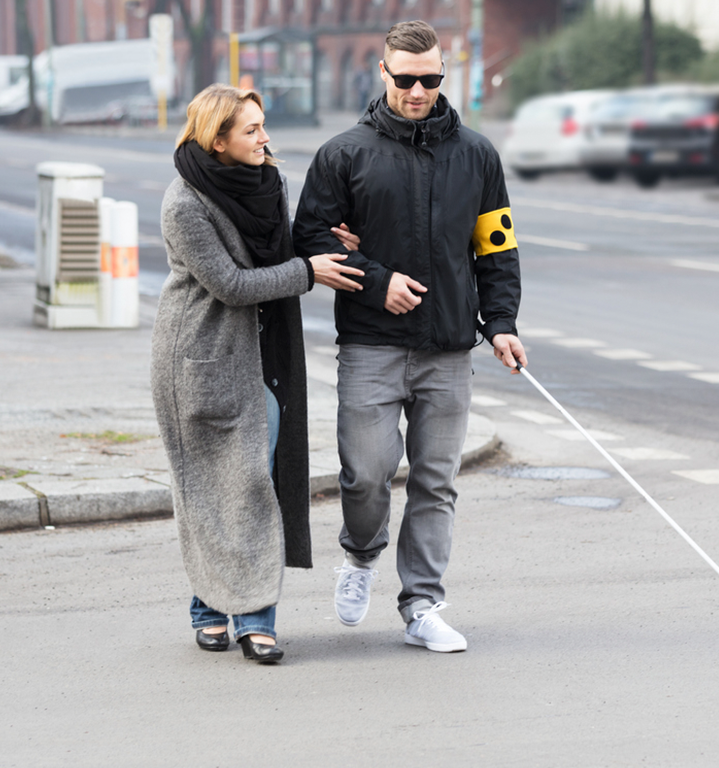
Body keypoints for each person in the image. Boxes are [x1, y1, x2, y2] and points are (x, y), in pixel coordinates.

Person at [292, 20, 526, 653]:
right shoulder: (345, 154)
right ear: (384, 74)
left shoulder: (477, 155)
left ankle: (422, 603)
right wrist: (375, 282)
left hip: (450, 347)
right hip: (371, 343)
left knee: (435, 480)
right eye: (406, 80)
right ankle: (361, 552)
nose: (419, 91)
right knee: (366, 475)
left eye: (431, 80)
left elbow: (496, 250)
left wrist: (501, 325)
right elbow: (309, 240)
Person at [151, 84, 364, 664]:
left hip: (268, 356)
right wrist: (306, 271)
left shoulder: (271, 183)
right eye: (251, 130)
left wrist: (321, 247)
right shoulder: (184, 203)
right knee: (218, 486)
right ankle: (233, 614)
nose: (265, 138)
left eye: (263, 126)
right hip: (203, 359)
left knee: (252, 483)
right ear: (217, 139)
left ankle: (233, 611)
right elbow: (233, 284)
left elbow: (274, 253)